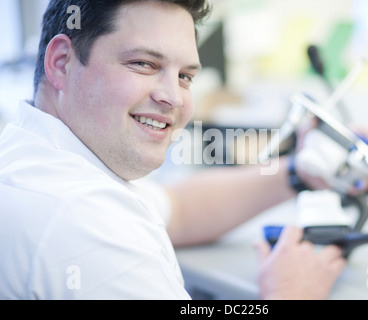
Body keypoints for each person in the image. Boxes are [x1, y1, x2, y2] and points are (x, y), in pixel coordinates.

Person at [0, 0, 346, 300]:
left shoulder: (36, 155)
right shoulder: (83, 220)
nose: (173, 97)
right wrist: (289, 293)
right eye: (144, 64)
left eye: (185, 76)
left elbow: (178, 209)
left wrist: (299, 171)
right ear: (62, 63)